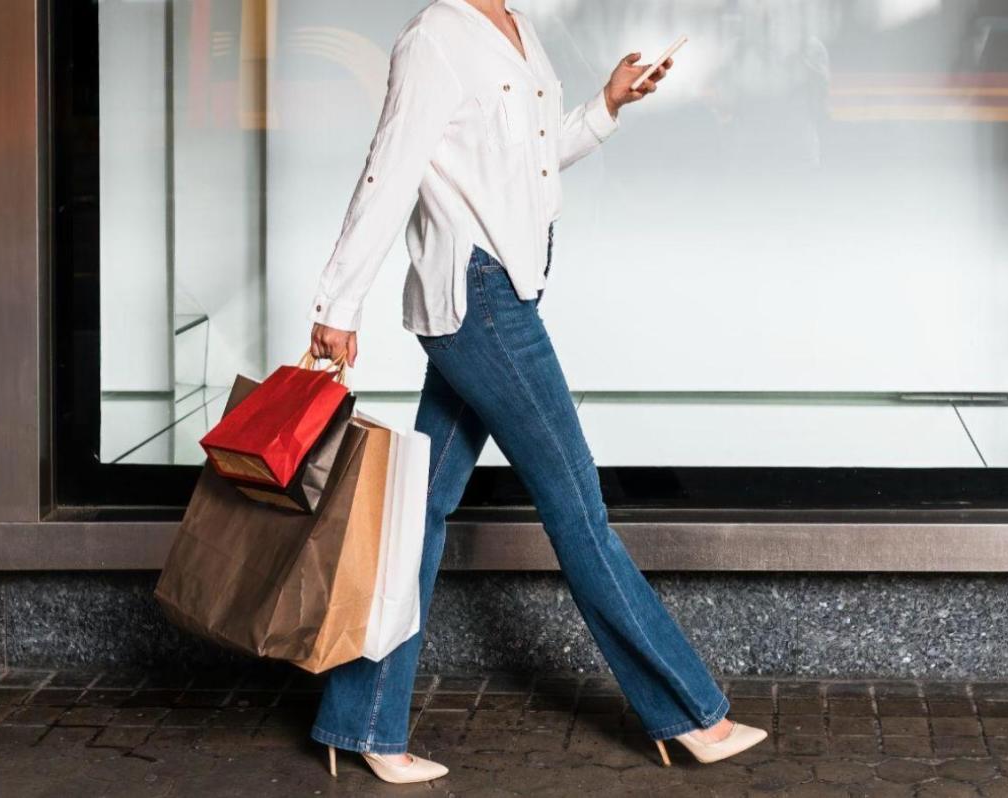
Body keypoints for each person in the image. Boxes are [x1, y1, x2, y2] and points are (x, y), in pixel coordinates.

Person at [306, 0, 767, 784]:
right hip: (479, 301)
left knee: (417, 511)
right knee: (578, 512)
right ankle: (689, 713)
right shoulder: (435, 38)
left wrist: (607, 106)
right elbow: (390, 167)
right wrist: (337, 304)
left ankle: (361, 722)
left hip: (504, 293)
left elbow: (533, 160)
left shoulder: (516, 27)